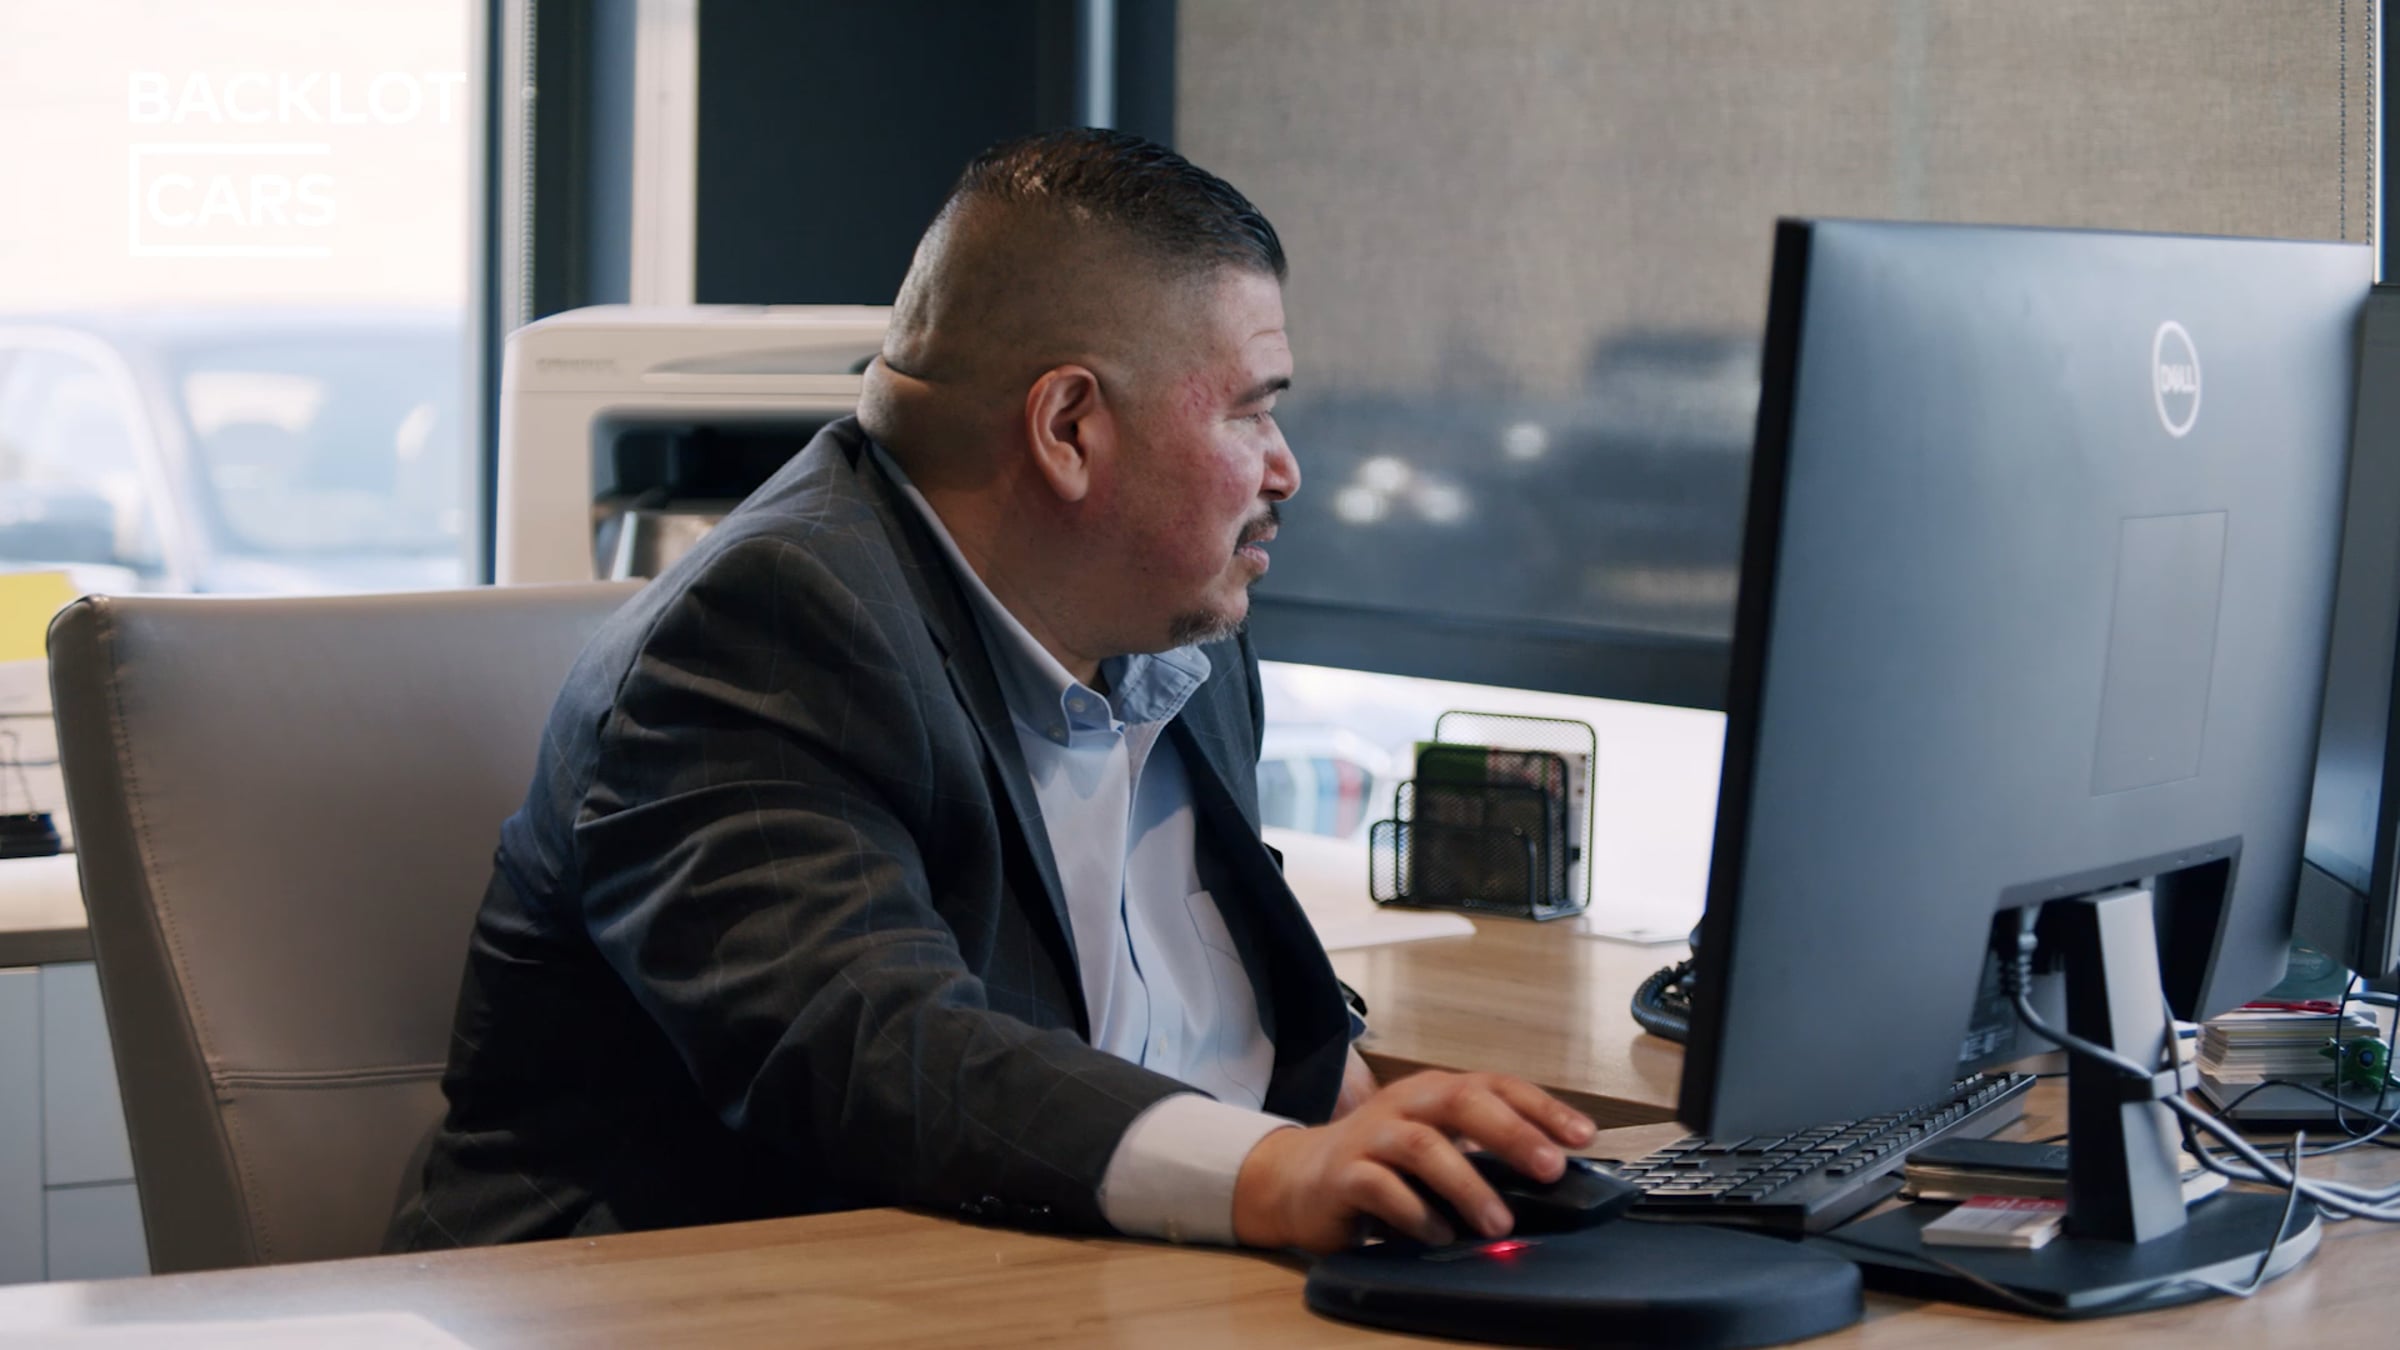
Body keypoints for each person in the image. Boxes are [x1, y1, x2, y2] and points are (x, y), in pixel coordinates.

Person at [388, 128, 1593, 1257]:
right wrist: (1270, 1172)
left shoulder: (1180, 625)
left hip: (1087, 1283)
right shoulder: (762, 636)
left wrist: (1368, 1127)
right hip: (687, 1301)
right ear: (1069, 426)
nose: (1287, 469)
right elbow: (874, 1047)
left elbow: (1206, 1001)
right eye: (1251, 410)